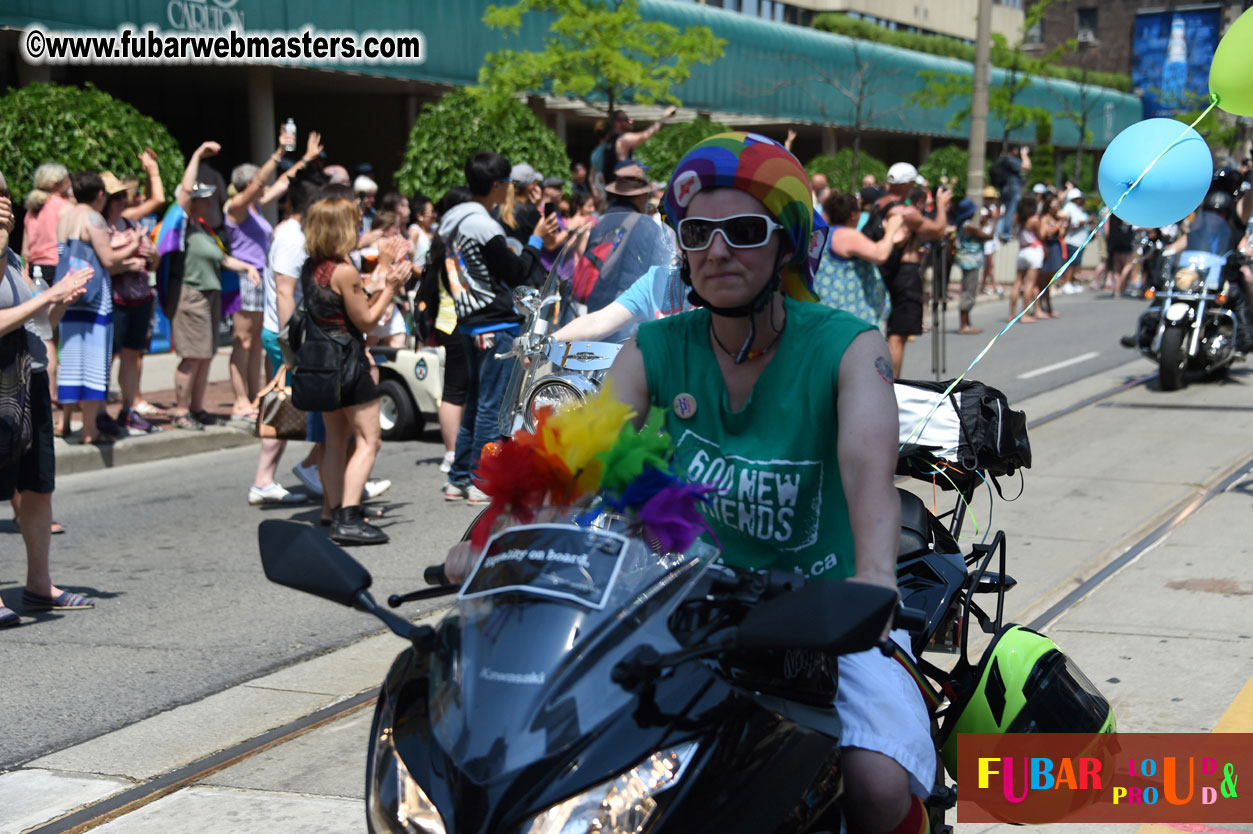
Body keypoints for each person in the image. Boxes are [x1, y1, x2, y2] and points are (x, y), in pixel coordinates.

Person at [604, 133, 935, 834]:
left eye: (744, 231)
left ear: (784, 244)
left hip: (830, 610)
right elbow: (584, 456)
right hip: (694, 605)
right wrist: (498, 536)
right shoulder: (655, 346)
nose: (717, 250)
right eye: (698, 232)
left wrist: (874, 582)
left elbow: (866, 468)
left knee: (876, 786)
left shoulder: (847, 344)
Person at [1, 175, 96, 624]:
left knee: (37, 486)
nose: (4, 205)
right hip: (3, 384)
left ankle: (39, 584)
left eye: (5, 196)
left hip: (30, 378)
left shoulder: (14, 257)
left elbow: (42, 321)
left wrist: (59, 300)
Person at [437, 151, 557, 503]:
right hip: (495, 321)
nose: (510, 190)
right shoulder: (482, 225)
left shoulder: (454, 220)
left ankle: (458, 478)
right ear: (496, 185)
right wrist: (536, 238)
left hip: (470, 320)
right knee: (493, 405)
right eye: (508, 184)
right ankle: (480, 481)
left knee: (475, 403)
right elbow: (517, 271)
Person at [301, 195, 410, 544]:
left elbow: (355, 298)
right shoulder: (344, 270)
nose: (359, 228)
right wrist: (391, 288)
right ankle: (349, 516)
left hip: (322, 363)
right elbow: (365, 317)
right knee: (368, 439)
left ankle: (334, 511)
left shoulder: (313, 266)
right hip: (348, 361)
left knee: (334, 440)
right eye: (354, 222)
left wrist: (382, 269)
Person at [225, 129, 323, 422]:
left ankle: (258, 397)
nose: (265, 185)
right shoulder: (236, 208)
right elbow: (261, 182)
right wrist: (278, 152)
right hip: (244, 278)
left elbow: (284, 182)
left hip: (258, 279)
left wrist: (305, 159)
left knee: (256, 342)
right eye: (259, 183)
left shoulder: (255, 208)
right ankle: (240, 400)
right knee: (242, 341)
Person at [170, 142, 261, 431]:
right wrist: (196, 155)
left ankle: (196, 408)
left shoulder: (203, 229)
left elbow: (222, 259)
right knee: (192, 355)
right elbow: (183, 194)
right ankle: (182, 411)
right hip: (191, 296)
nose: (209, 203)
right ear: (192, 204)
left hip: (209, 296)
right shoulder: (182, 225)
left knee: (205, 355)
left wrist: (247, 267)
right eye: (203, 199)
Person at [250, 173, 324, 507]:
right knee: (283, 402)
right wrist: (292, 345)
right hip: (286, 335)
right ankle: (271, 479)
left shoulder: (295, 233)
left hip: (288, 334)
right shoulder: (293, 238)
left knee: (287, 403)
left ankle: (303, 471)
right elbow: (284, 293)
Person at [55, 172, 143, 444]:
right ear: (100, 195)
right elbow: (107, 258)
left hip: (69, 294)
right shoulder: (93, 218)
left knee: (69, 358)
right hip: (93, 298)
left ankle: (65, 421)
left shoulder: (65, 216)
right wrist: (135, 244)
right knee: (93, 362)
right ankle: (90, 430)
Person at [868, 162, 951, 378]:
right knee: (899, 334)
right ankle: (892, 384)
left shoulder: (878, 204)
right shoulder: (905, 211)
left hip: (887, 271)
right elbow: (938, 231)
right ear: (907, 184)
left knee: (890, 331)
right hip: (905, 274)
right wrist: (941, 205)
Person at [101, 172, 159, 434]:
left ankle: (128, 409)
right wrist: (127, 263)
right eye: (116, 197)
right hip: (115, 300)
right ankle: (99, 411)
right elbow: (103, 266)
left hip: (141, 297)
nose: (121, 201)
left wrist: (152, 255)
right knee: (108, 357)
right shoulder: (101, 228)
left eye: (123, 196)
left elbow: (153, 263)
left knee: (132, 355)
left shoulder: (132, 224)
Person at [21, 163, 73, 400]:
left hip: (37, 272)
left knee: (45, 332)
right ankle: (60, 393)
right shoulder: (65, 207)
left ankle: (49, 392)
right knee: (58, 331)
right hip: (59, 269)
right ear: (58, 183)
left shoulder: (32, 210)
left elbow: (25, 251)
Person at [817, 190, 902, 328]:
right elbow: (880, 254)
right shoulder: (846, 235)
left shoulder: (827, 233)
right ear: (853, 215)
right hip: (848, 314)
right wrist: (892, 228)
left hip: (830, 308)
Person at [600, 106, 677, 189]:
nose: (631, 121)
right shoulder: (622, 139)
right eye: (626, 119)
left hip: (614, 191)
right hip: (623, 192)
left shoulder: (609, 143)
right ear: (617, 123)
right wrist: (664, 116)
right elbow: (645, 135)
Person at [953, 198, 990, 334]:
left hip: (970, 260)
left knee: (969, 290)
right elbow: (987, 236)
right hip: (970, 261)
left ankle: (967, 322)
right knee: (969, 291)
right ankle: (963, 325)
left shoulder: (964, 224)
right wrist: (994, 220)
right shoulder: (968, 225)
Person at [1011, 194, 1044, 323]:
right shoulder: (1034, 220)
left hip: (1021, 250)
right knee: (1030, 284)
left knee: (1017, 283)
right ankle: (1024, 314)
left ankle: (1012, 313)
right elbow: (1041, 236)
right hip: (1033, 251)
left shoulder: (1016, 218)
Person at [993, 144, 1031, 242]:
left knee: (1005, 211)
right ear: (1014, 150)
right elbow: (1026, 166)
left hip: (1004, 188)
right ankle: (1005, 234)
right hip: (1012, 188)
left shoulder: (1003, 159)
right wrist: (1024, 155)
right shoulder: (1010, 159)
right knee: (1010, 210)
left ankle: (999, 232)